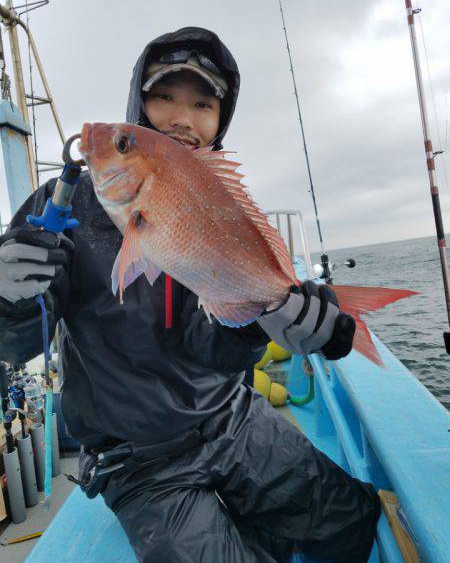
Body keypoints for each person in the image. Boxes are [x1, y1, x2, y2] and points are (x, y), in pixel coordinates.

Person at [0, 27, 380, 562]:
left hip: (230, 415)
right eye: (163, 98)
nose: (183, 118)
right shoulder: (60, 206)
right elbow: (16, 345)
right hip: (138, 458)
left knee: (351, 522)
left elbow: (213, 347)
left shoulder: (215, 202)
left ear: (220, 120)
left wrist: (263, 319)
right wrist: (6, 298)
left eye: (203, 104)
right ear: (138, 106)